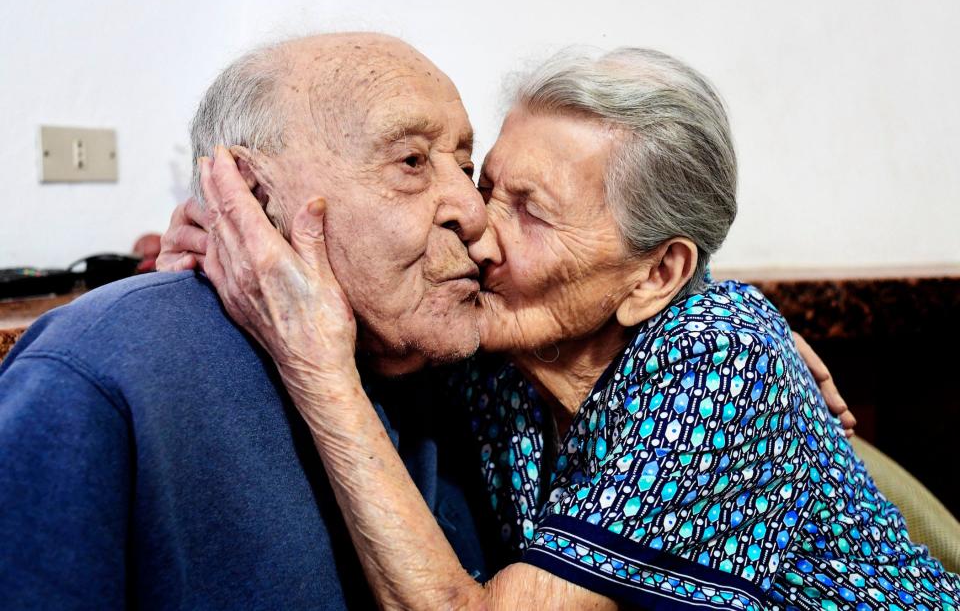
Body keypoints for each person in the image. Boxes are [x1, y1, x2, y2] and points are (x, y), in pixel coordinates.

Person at [166, 47, 960, 609]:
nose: (476, 223)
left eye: (531, 212)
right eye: (487, 184)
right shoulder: (503, 342)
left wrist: (320, 368)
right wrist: (229, 223)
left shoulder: (714, 362)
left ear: (655, 277)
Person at [0, 33, 501, 609]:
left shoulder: (445, 358)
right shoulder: (102, 368)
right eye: (410, 161)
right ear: (251, 192)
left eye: (465, 167)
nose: (472, 210)